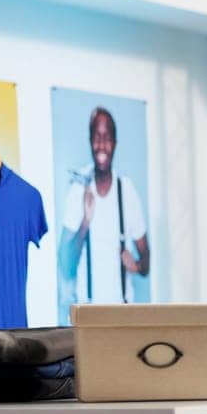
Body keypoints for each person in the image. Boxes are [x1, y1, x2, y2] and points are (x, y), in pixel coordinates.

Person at [57, 107, 150, 319]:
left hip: (123, 315)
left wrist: (136, 265)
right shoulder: (78, 190)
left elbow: (146, 264)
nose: (101, 145)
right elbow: (65, 264)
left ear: (115, 143)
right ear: (90, 140)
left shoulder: (126, 191)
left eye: (107, 138)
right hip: (87, 315)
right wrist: (85, 222)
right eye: (96, 137)